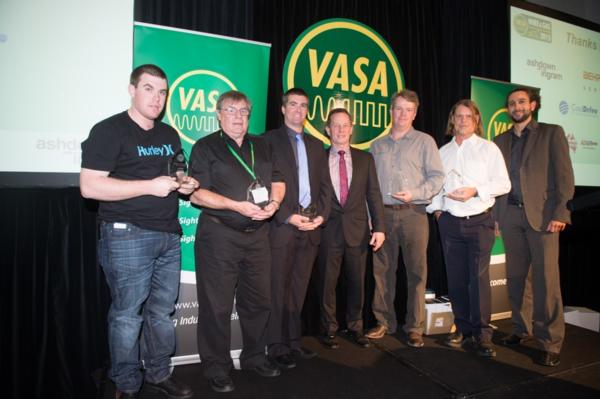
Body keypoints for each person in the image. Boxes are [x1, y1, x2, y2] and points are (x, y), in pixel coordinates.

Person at [80, 64, 195, 399]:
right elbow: (89, 187)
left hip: (168, 235)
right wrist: (149, 186)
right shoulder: (108, 130)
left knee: (162, 311)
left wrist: (185, 184)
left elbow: (175, 176)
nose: (156, 98)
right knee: (128, 315)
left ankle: (160, 373)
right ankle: (127, 384)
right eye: (148, 89)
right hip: (127, 235)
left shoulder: (169, 134)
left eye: (162, 92)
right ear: (132, 90)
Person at [188, 90, 285, 392]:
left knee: (258, 301)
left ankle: (255, 357)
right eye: (231, 110)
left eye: (243, 111)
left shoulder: (263, 145)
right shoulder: (206, 147)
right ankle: (216, 366)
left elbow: (278, 181)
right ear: (218, 114)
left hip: (258, 237)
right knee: (216, 305)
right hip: (219, 236)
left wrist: (275, 205)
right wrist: (235, 205)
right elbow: (196, 193)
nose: (238, 117)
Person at [493, 87, 574, 367]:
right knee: (516, 279)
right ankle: (521, 329)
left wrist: (561, 213)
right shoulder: (500, 140)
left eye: (522, 102)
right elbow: (495, 183)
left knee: (546, 282)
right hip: (510, 217)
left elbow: (564, 176)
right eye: (512, 103)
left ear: (533, 105)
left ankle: (551, 341)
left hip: (543, 218)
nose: (517, 107)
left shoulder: (552, 133)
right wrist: (496, 219)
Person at [427, 99, 510, 357]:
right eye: (458, 116)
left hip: (479, 221)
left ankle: (483, 334)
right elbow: (436, 187)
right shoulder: (442, 152)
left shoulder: (488, 149)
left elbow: (504, 184)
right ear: (452, 120)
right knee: (457, 280)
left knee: (479, 279)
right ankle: (462, 329)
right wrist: (438, 211)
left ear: (476, 121)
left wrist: (476, 191)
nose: (463, 121)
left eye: (468, 116)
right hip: (450, 223)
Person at [366, 89, 444, 348]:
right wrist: (372, 219)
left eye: (408, 110)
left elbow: (437, 178)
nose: (402, 114)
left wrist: (415, 193)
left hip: (414, 214)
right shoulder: (376, 146)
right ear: (390, 110)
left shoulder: (425, 142)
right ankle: (384, 322)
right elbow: (370, 187)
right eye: (398, 108)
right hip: (384, 216)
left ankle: (414, 327)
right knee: (382, 272)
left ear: (415, 113)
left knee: (416, 273)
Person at [263, 88, 332, 370]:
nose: (298, 110)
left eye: (304, 106)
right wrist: (286, 215)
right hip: (283, 226)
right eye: (293, 105)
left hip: (311, 228)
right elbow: (264, 184)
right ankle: (276, 345)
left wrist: (322, 218)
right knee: (278, 288)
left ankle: (293, 341)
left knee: (299, 289)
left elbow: (326, 188)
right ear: (282, 109)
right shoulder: (267, 141)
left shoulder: (317, 145)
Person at [316, 108, 386, 350]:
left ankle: (356, 328)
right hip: (327, 231)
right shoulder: (319, 159)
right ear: (328, 130)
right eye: (336, 125)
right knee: (327, 283)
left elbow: (374, 195)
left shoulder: (366, 159)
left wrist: (379, 227)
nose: (341, 130)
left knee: (357, 283)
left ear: (352, 128)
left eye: (345, 125)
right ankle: (328, 329)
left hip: (357, 232)